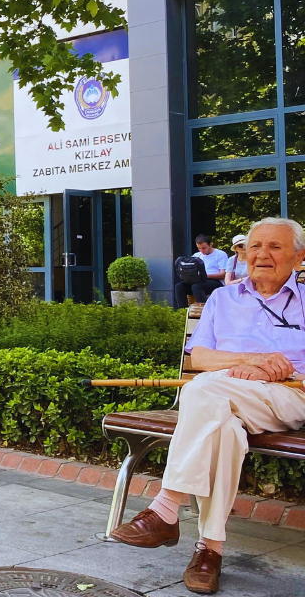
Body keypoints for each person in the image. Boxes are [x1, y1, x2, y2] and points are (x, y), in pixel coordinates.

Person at [109, 217, 305, 594]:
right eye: (254, 245)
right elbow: (198, 356)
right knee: (224, 428)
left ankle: (167, 507)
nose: (262, 253)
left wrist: (273, 372)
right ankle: (209, 549)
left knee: (202, 391)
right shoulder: (223, 298)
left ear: (299, 257)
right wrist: (248, 362)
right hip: (224, 396)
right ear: (243, 253)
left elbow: (205, 372)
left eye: (275, 247)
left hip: (287, 395)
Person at [175, 234, 228, 306]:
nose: (201, 250)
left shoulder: (221, 255)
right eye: (199, 248)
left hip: (216, 282)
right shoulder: (196, 255)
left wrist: (205, 276)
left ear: (211, 245)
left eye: (204, 248)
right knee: (179, 286)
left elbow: (223, 275)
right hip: (198, 281)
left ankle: (204, 311)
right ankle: (182, 312)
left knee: (197, 286)